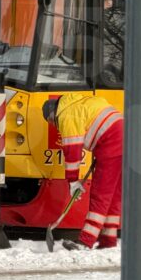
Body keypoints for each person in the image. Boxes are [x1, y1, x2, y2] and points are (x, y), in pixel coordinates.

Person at [42, 92, 124, 250]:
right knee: (113, 195)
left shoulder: (66, 115)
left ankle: (86, 242)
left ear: (53, 115)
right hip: (125, 136)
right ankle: (108, 240)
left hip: (112, 142)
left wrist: (73, 181)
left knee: (100, 194)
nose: (54, 125)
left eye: (52, 122)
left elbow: (72, 152)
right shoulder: (78, 104)